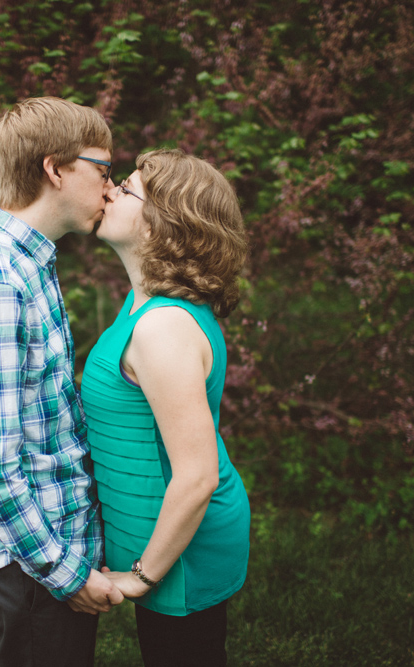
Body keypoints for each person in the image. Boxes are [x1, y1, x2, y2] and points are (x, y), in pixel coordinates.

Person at [0, 96, 124, 667]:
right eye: (103, 170)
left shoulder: (24, 262)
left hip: (43, 548)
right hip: (32, 562)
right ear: (54, 168)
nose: (111, 190)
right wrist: (67, 575)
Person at [80, 149, 251, 667]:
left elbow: (197, 475)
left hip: (181, 554)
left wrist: (142, 575)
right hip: (162, 536)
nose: (108, 190)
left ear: (162, 225)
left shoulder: (162, 328)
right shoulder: (145, 306)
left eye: (126, 189)